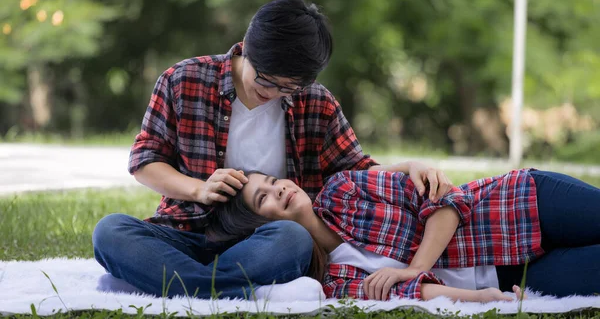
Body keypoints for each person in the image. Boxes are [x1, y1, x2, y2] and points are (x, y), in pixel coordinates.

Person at [92, 0, 455, 299]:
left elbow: (355, 169)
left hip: (266, 241)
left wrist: (409, 166)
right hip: (187, 233)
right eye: (265, 80)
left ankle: (185, 285)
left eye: (288, 87)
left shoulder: (317, 103)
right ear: (247, 47)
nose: (272, 93)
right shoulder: (183, 81)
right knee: (110, 232)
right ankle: (233, 289)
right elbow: (145, 161)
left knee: (294, 238)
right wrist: (199, 189)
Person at [205, 169, 600, 301]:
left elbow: (445, 200)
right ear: (262, 227)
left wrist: (415, 267)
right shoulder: (334, 280)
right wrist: (483, 298)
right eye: (264, 198)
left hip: (516, 205)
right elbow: (411, 293)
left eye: (274, 180)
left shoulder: (345, 188)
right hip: (511, 276)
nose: (280, 189)